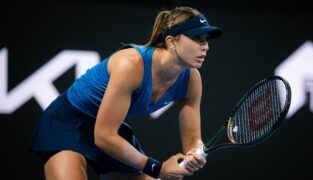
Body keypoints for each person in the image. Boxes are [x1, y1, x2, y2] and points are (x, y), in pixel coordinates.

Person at [27, 6, 222, 180]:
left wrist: (194, 152)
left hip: (109, 128)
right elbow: (103, 136)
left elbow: (191, 138)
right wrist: (158, 168)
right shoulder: (131, 64)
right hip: (68, 124)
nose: (205, 46)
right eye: (196, 38)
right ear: (171, 41)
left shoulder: (192, 79)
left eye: (205, 39)